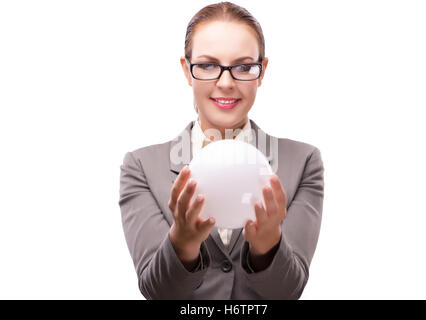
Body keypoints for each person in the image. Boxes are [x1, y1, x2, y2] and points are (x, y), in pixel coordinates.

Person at [118, 1, 324, 300]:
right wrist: (182, 243)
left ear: (261, 71)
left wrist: (268, 244)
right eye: (207, 65)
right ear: (187, 70)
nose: (225, 83)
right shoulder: (141, 166)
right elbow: (157, 292)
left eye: (243, 67)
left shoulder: (303, 162)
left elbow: (288, 292)